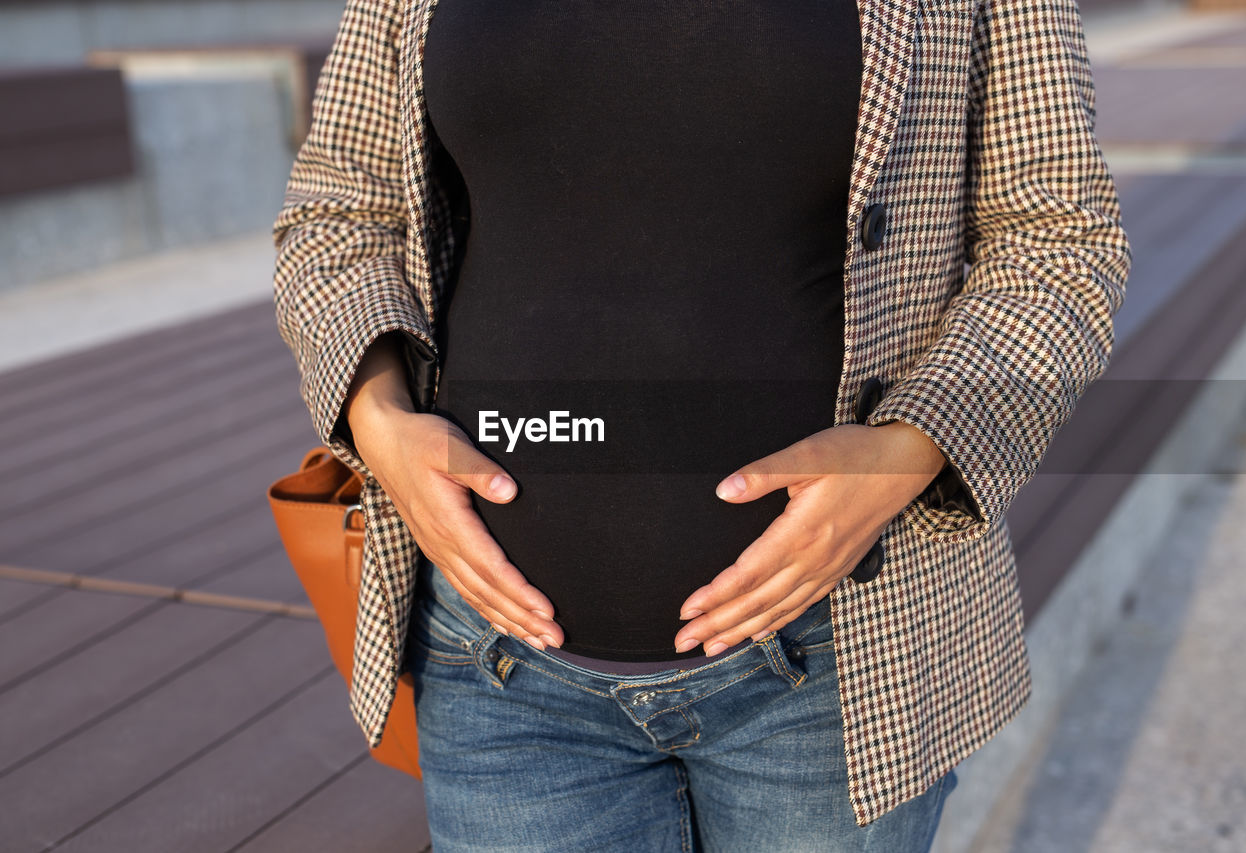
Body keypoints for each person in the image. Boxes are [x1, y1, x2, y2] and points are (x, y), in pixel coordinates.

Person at [271, 0, 1131, 849]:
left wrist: (908, 451)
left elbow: (1059, 241)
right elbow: (340, 214)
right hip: (499, 673)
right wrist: (380, 420)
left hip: (835, 666)